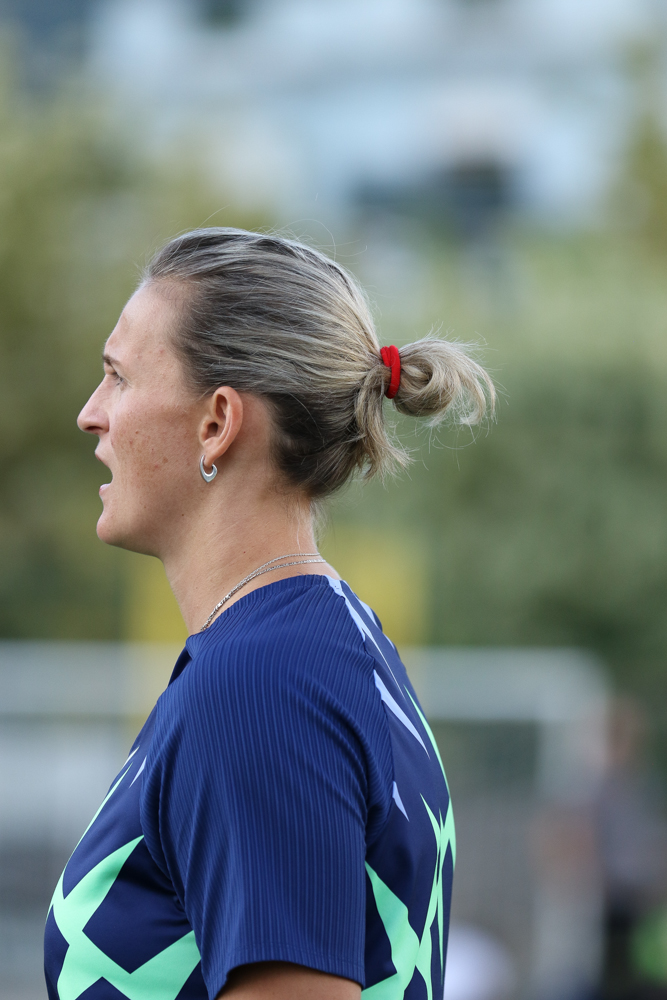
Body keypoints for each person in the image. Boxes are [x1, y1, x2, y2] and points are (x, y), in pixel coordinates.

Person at [43, 228, 494, 1000]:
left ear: (216, 422)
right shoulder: (319, 644)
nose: (91, 414)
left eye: (118, 376)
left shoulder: (259, 687)